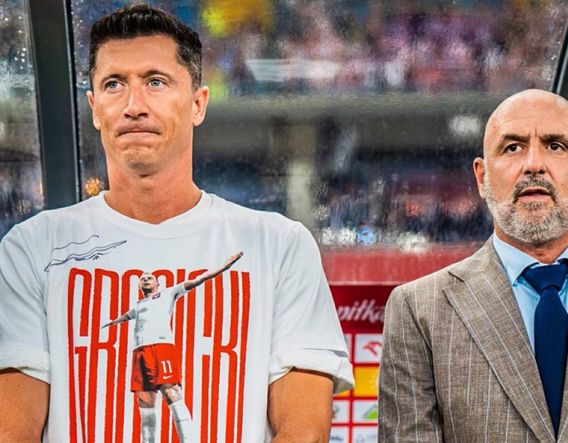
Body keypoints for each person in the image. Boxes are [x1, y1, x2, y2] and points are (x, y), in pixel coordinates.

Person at [0, 4, 353, 442]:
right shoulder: (30, 249)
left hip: (160, 350)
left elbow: (304, 430)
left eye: (156, 82)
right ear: (93, 108)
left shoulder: (279, 246)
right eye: (114, 84)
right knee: (149, 403)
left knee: (169, 398)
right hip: (143, 354)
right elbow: (12, 431)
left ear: (198, 104)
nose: (134, 105)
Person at [378, 89, 568, 442]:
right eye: (513, 147)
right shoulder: (418, 310)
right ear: (482, 177)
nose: (533, 164)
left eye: (556, 146)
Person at [101, 253, 242, 443]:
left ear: (158, 283)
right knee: (145, 401)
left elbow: (199, 279)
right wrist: (111, 323)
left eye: (149, 277)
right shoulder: (138, 305)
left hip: (161, 347)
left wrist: (224, 267)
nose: (145, 279)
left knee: (171, 393)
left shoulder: (169, 293)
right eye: (142, 278)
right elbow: (126, 316)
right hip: (140, 352)